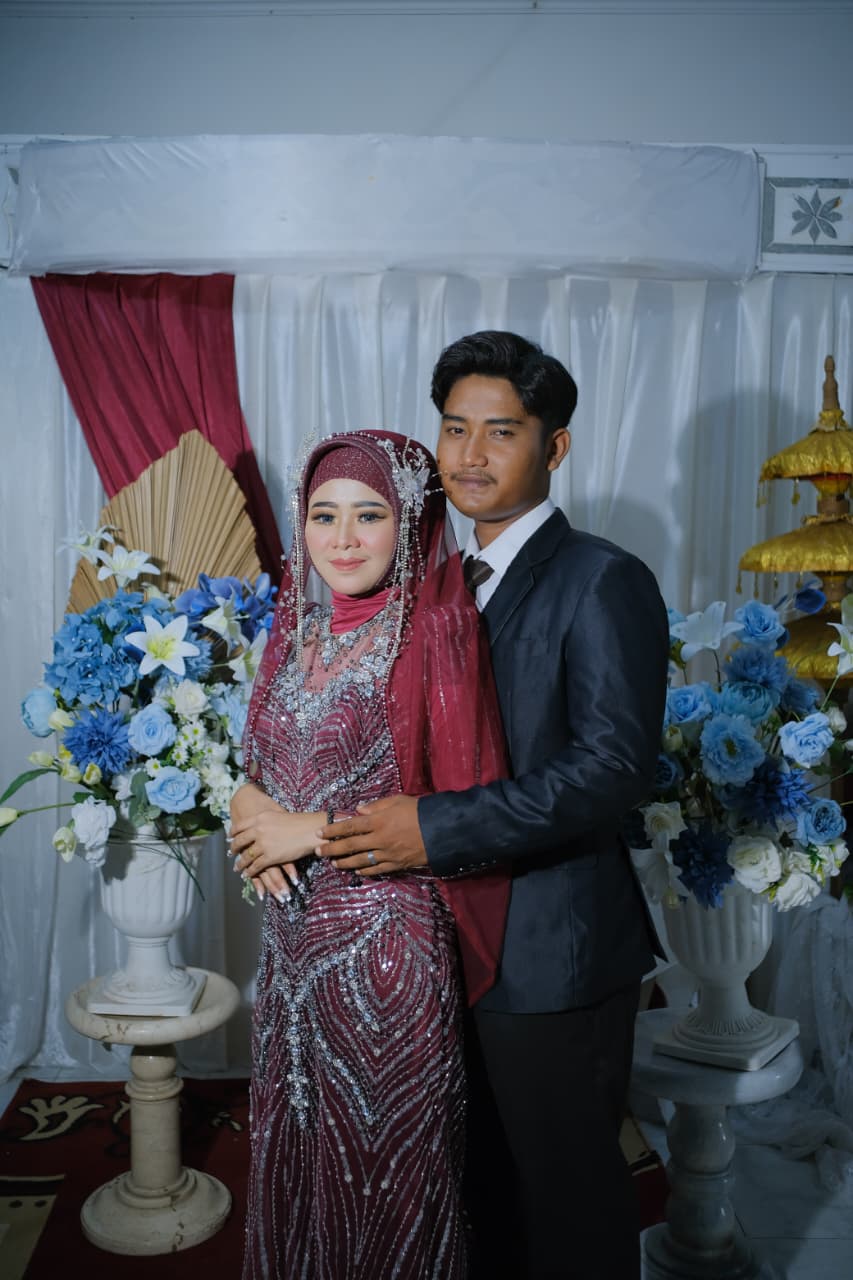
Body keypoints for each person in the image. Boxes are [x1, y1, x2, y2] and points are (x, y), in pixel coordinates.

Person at [314, 333, 670, 1279]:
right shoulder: (429, 585)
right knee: (476, 1188)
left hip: (552, 947)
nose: (469, 455)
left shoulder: (600, 578)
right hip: (442, 939)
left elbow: (613, 767)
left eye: (500, 432)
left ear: (554, 447)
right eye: (454, 429)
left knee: (567, 1195)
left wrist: (431, 830)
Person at [229, 429, 510, 1280]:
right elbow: (263, 765)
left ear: (412, 521)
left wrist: (305, 830)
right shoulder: (298, 631)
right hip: (290, 954)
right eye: (323, 515)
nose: (342, 538)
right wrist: (244, 800)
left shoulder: (436, 632)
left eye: (369, 514)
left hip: (382, 952)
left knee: (383, 1173)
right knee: (300, 1148)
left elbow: (465, 806)